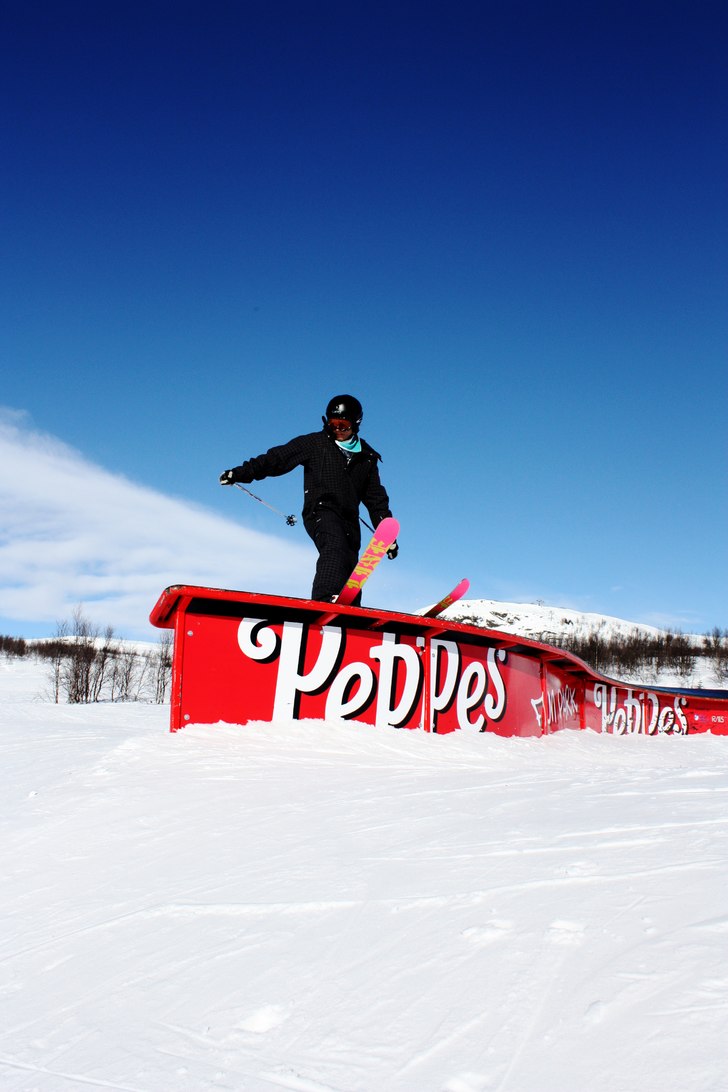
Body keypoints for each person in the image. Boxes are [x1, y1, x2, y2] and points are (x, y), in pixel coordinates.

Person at [220, 395, 397, 603]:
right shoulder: (315, 443)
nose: (337, 430)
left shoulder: (367, 457)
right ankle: (324, 599)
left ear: (356, 425)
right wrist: (241, 473)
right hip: (321, 510)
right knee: (334, 546)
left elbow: (375, 498)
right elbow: (276, 459)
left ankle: (350, 609)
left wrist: (386, 535)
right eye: (332, 425)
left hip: (350, 516)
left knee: (350, 561)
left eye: (343, 425)